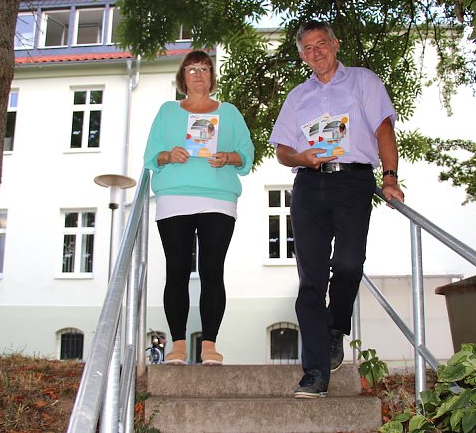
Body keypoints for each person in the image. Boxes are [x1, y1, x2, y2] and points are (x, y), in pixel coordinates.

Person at [269, 20, 405, 397]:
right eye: (307, 48)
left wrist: (390, 178)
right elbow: (281, 150)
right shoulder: (297, 96)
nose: (315, 52)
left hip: (354, 180)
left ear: (335, 44)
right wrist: (300, 155)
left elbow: (383, 131)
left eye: (320, 44)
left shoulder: (363, 81)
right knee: (310, 278)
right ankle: (315, 371)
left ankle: (335, 327)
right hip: (309, 183)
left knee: (348, 262)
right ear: (301, 56)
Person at [143, 50, 254, 365]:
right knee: (176, 270)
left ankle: (209, 345)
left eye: (204, 68)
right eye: (191, 69)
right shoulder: (167, 112)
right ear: (182, 77)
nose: (198, 74)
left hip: (218, 197)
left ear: (212, 76)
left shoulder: (229, 113)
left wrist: (228, 157)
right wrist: (169, 154)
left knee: (211, 270)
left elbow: (247, 153)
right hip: (174, 196)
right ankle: (177, 345)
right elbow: (151, 155)